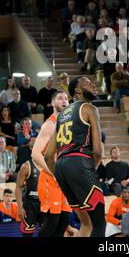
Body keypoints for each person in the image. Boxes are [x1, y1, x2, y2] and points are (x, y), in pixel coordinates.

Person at [44, 77, 106, 237]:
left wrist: (60, 176)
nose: (93, 84)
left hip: (61, 169)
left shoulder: (61, 116)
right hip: (80, 163)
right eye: (88, 83)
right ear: (78, 90)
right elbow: (98, 151)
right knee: (99, 223)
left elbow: (49, 157)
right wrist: (89, 171)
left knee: (87, 223)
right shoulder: (89, 108)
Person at [31, 91, 72, 237]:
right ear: (53, 103)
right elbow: (35, 154)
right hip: (51, 179)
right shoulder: (50, 124)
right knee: (52, 222)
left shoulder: (70, 124)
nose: (64, 101)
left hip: (65, 179)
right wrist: (53, 172)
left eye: (66, 98)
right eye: (60, 98)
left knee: (64, 220)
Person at [15, 138, 43, 237]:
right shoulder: (26, 166)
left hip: (45, 204)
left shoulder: (50, 164)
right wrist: (20, 207)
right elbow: (18, 187)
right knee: (27, 234)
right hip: (30, 205)